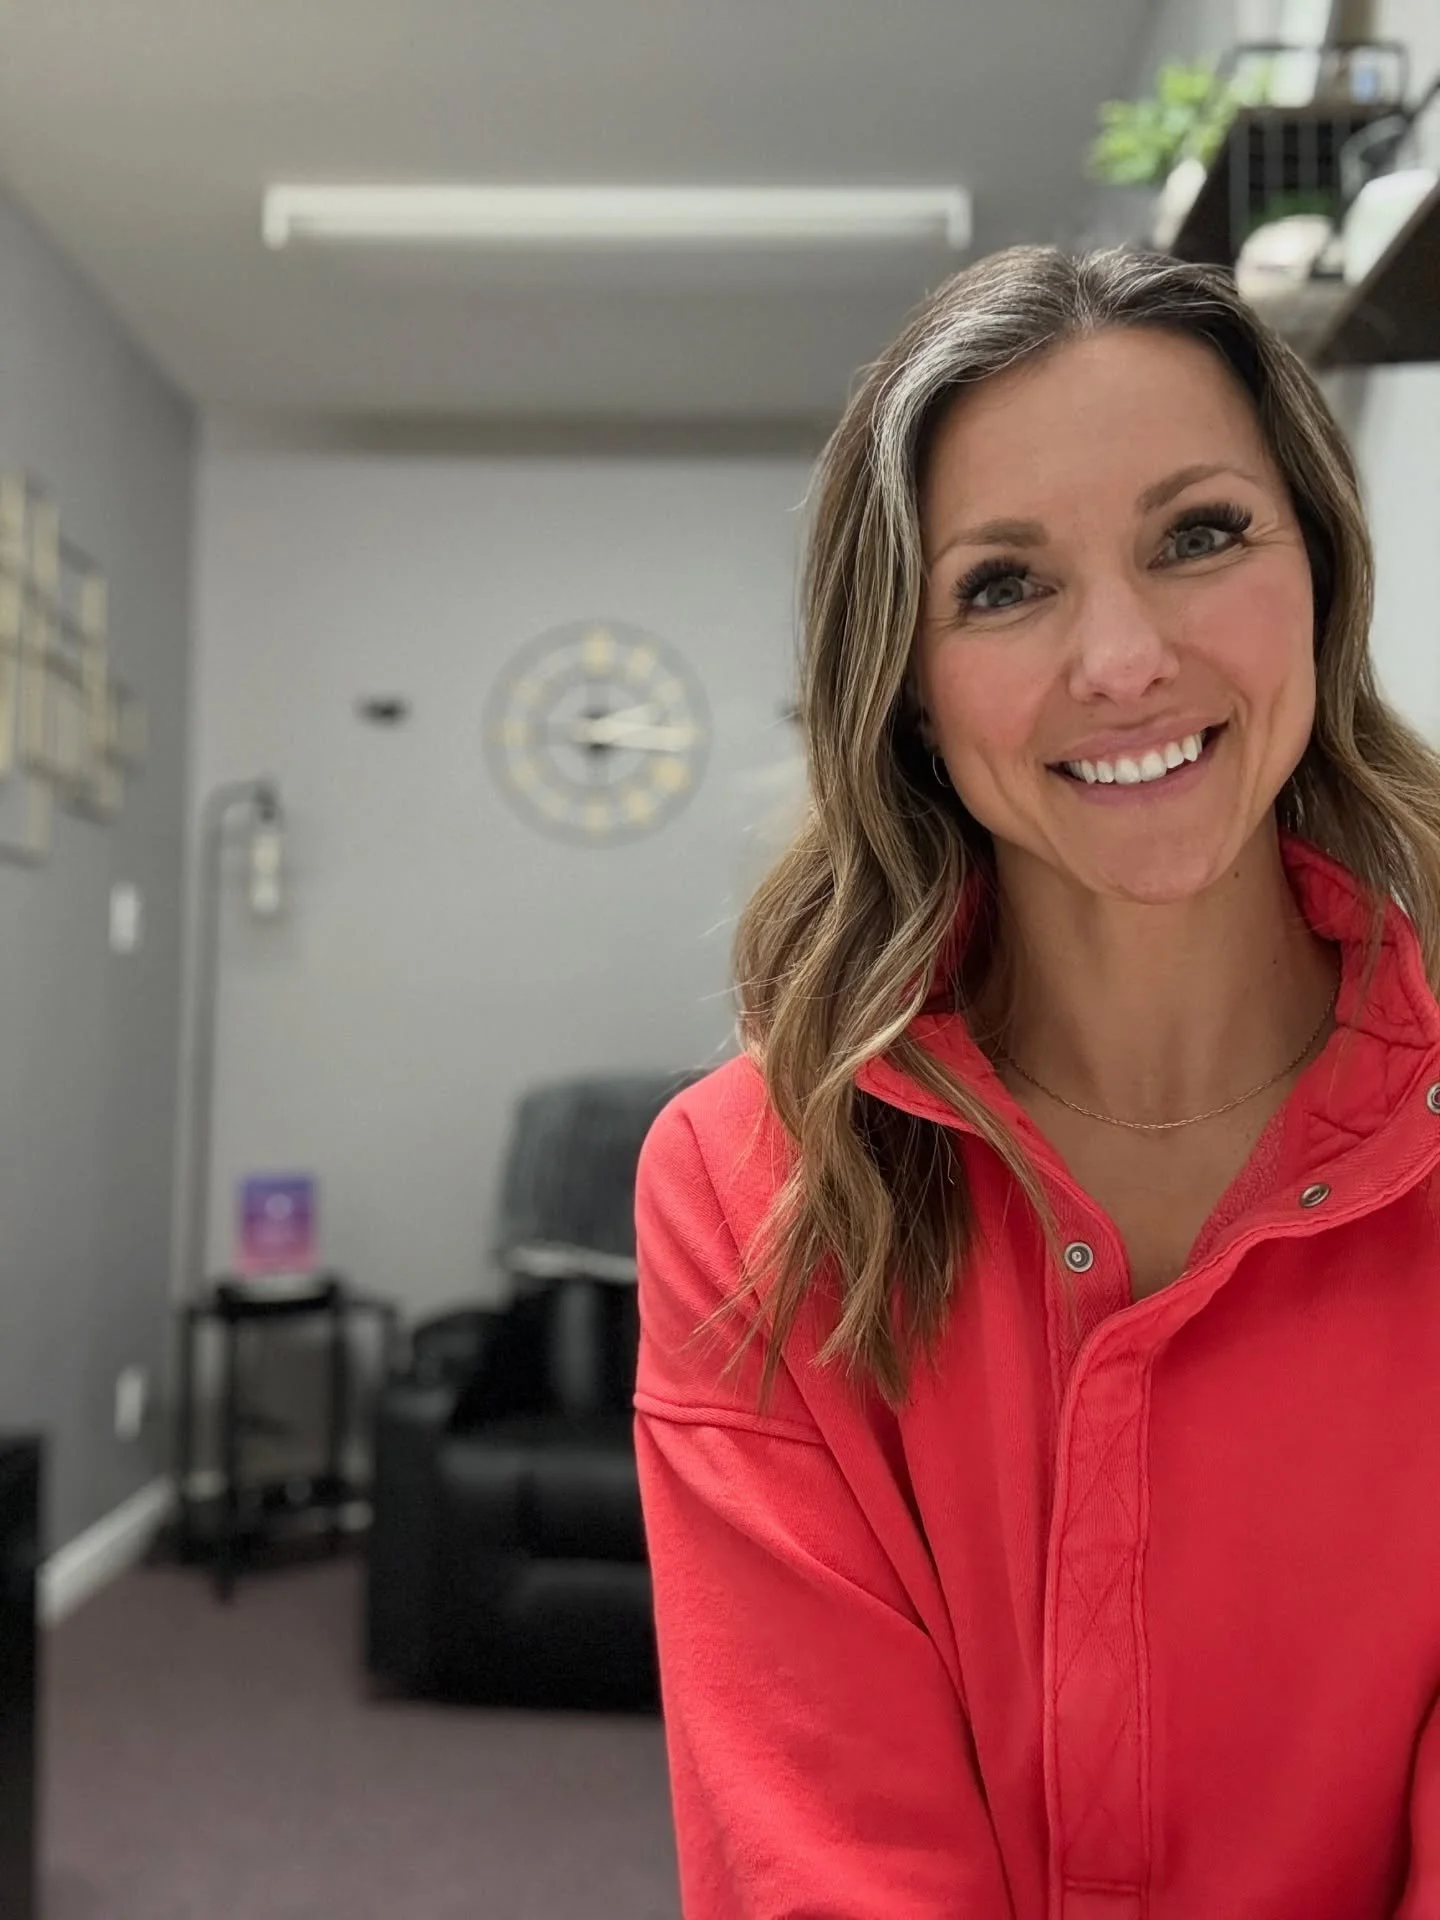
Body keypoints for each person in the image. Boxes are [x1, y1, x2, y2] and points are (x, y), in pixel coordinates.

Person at [632, 244, 1440, 1920]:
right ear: (910, 692)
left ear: (1320, 574)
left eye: (1199, 535)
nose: (1124, 659)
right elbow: (819, 1862)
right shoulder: (747, 1186)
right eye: (1004, 585)